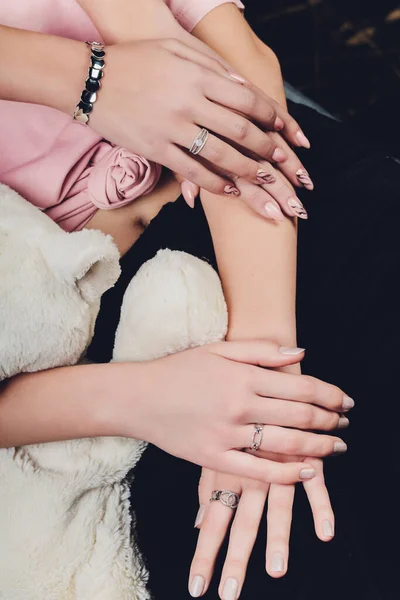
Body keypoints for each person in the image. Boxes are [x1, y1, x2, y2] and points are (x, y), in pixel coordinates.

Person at [0, 2, 398, 600]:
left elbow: (236, 71)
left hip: (265, 216)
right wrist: (144, 398)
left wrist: (266, 364)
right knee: (284, 565)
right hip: (119, 356)